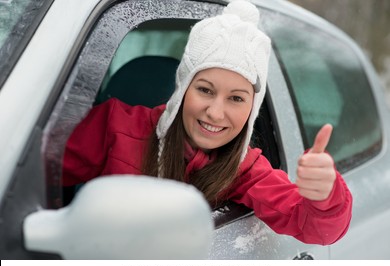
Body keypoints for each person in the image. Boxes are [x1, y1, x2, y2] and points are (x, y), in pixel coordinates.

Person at [62, 0, 352, 245]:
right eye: (205, 90)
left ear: (252, 109)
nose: (215, 112)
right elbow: (32, 170)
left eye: (236, 99)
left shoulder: (244, 169)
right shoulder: (115, 126)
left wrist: (325, 195)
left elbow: (315, 227)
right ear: (183, 88)